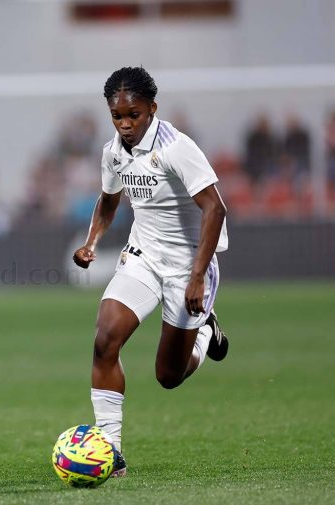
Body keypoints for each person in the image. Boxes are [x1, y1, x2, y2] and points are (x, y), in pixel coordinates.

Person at [72, 67, 230, 476]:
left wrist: (197, 277)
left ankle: (205, 331)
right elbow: (108, 201)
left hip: (188, 267)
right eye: (117, 116)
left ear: (152, 109)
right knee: (105, 336)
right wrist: (92, 242)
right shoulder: (113, 152)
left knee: (168, 376)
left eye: (134, 115)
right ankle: (109, 450)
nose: (125, 124)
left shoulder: (177, 147)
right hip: (143, 256)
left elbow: (215, 208)